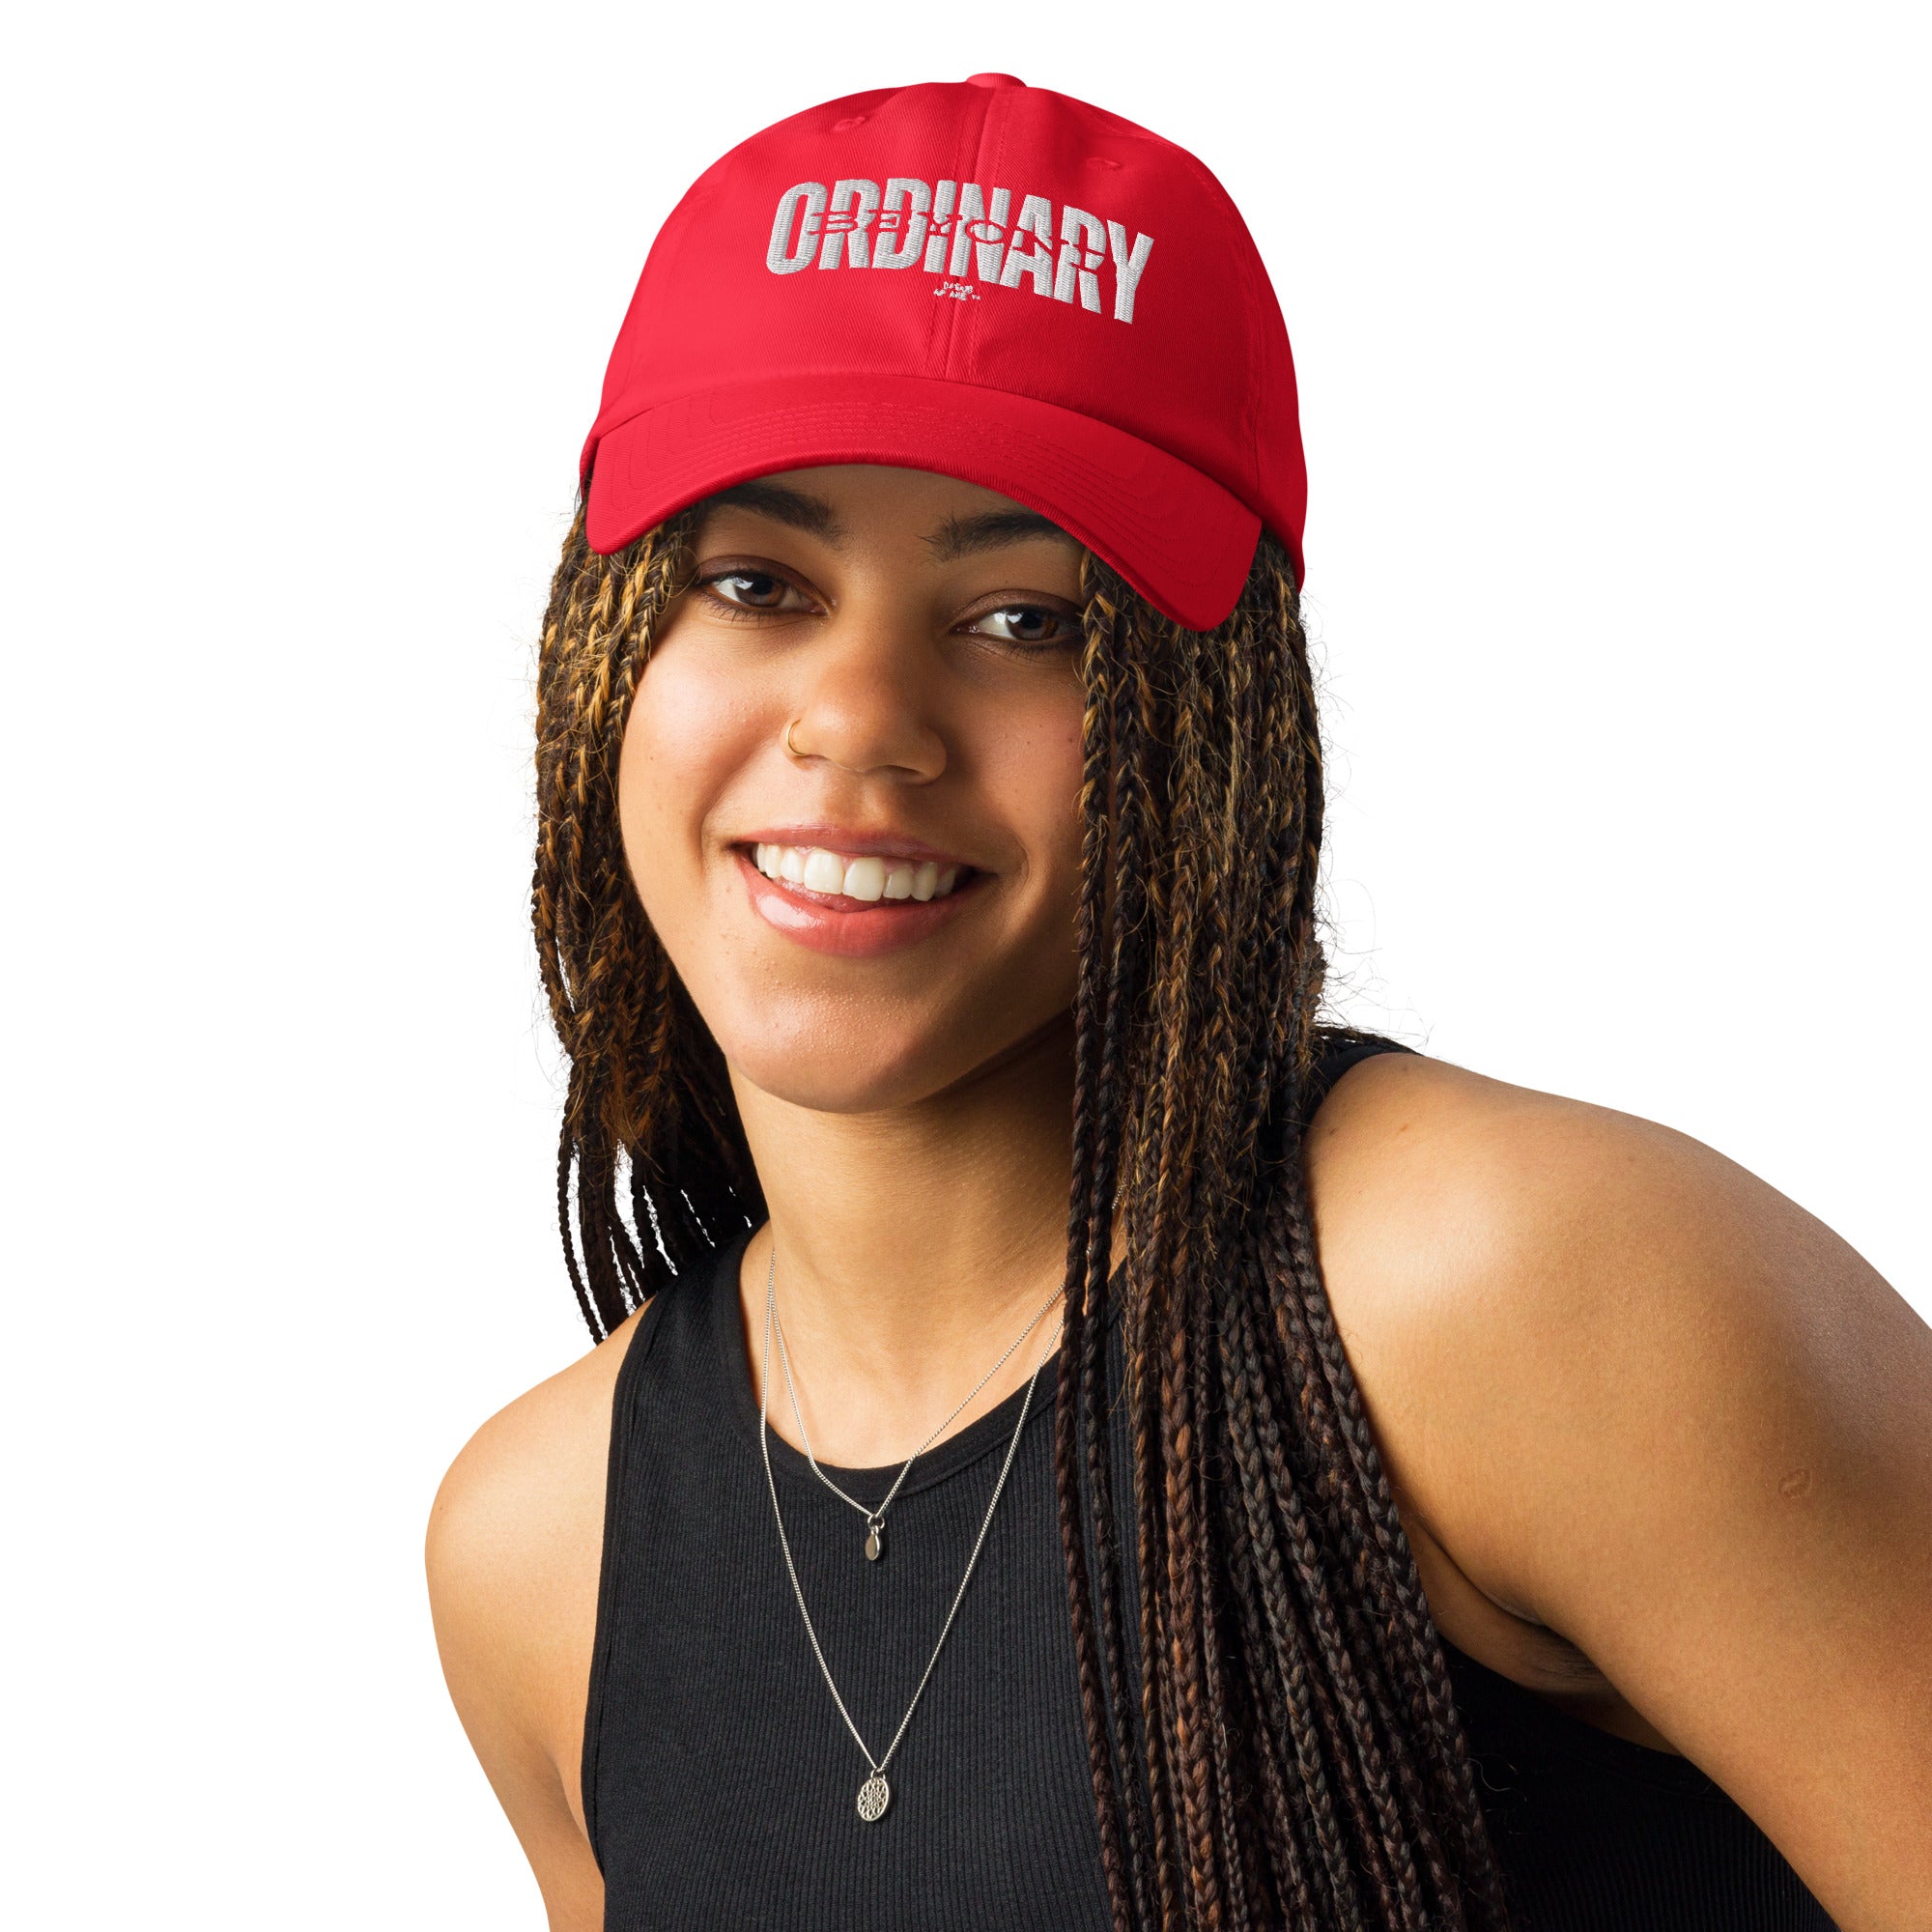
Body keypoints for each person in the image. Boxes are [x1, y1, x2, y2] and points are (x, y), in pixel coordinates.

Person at [425, 75, 1930, 1932]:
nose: (860, 721)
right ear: (601, 655)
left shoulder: (1508, 1292)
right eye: (755, 583)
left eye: (1028, 619)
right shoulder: (545, 1551)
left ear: (1219, 724)